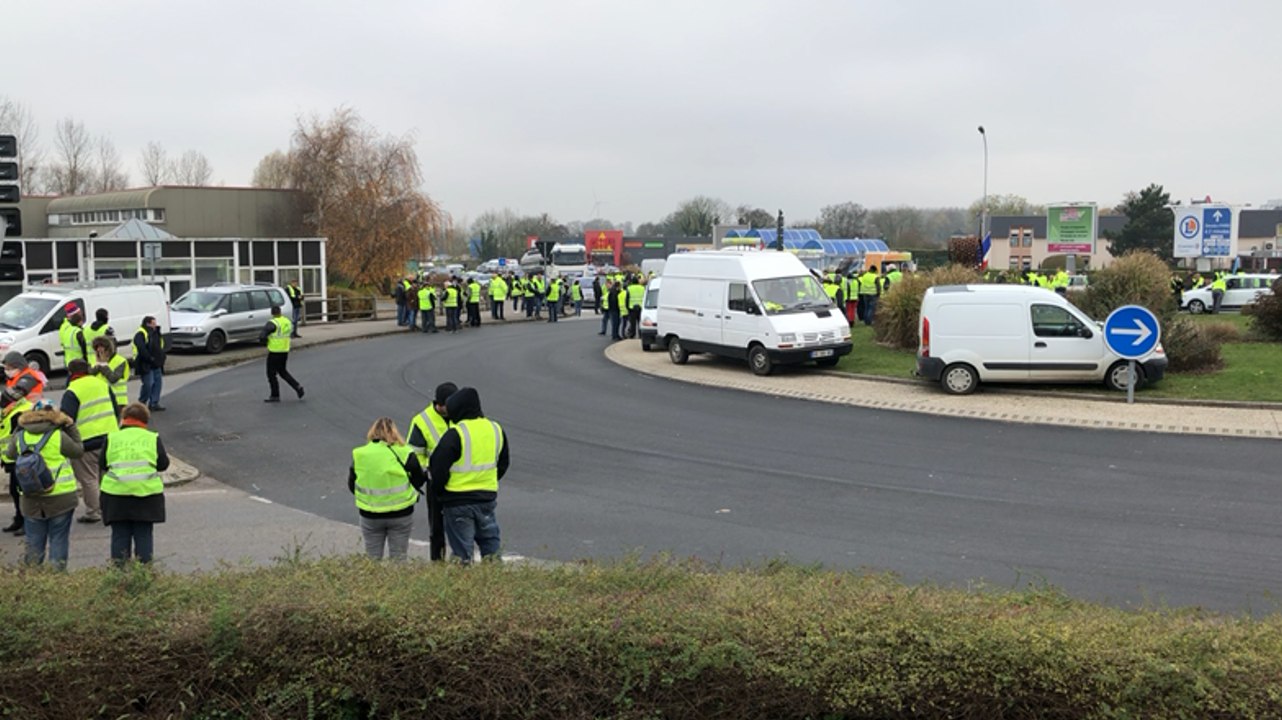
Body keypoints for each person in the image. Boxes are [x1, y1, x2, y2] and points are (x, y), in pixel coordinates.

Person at [429, 387, 509, 564]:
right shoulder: (495, 429)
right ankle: (496, 587)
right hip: (486, 499)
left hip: (458, 501)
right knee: (492, 550)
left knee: (462, 555)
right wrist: (487, 481)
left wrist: (440, 493)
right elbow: (503, 463)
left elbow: (438, 468)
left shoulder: (456, 433)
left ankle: (463, 588)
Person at [6, 399, 83, 569]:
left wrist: (19, 430)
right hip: (61, 496)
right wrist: (71, 427)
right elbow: (78, 451)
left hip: (30, 496)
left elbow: (10, 455)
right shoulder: (58, 435)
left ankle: (33, 581)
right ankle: (56, 580)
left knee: (33, 541)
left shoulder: (20, 436)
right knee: (59, 538)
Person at [99, 402, 170, 565]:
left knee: (119, 535)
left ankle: (119, 576)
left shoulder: (112, 437)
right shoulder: (152, 437)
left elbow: (102, 463)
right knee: (143, 535)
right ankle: (143, 575)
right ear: (145, 420)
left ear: (124, 419)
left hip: (115, 494)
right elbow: (163, 464)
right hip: (146, 494)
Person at [349, 417, 425, 561]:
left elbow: (352, 485)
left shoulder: (360, 454)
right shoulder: (405, 452)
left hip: (370, 514)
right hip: (401, 514)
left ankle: (373, 583)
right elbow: (419, 479)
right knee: (399, 559)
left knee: (372, 561)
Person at [62, 357, 121, 524]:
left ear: (71, 373)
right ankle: (110, 509)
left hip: (86, 442)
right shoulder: (102, 384)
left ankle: (94, 512)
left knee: (89, 479)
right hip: (110, 438)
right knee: (107, 477)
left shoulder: (72, 390)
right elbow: (116, 410)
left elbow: (67, 419)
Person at [407, 381, 456, 561]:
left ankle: (462, 563)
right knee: (437, 527)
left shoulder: (460, 415)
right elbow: (414, 454)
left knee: (461, 525)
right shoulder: (422, 421)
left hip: (461, 480)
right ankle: (437, 562)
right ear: (438, 404)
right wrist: (427, 472)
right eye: (447, 406)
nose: (450, 410)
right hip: (435, 481)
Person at [0, 384, 34, 536]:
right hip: (11, 458)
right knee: (15, 491)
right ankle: (19, 519)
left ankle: (27, 522)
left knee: (22, 492)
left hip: (22, 459)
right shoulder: (10, 411)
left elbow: (16, 438)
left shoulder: (20, 413)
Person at [260, 306, 304, 402]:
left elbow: (262, 336)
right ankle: (297, 386)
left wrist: (265, 342)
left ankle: (275, 395)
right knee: (283, 372)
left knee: (271, 374)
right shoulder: (287, 321)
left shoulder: (272, 323)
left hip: (274, 351)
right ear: (280, 312)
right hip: (284, 350)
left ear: (272, 313)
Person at [132, 316, 166, 412]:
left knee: (157, 383)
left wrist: (161, 357)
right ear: (148, 324)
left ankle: (154, 403)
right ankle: (142, 403)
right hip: (145, 363)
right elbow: (141, 348)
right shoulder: (141, 333)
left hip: (156, 363)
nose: (155, 325)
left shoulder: (155, 333)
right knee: (148, 384)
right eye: (153, 323)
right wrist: (150, 358)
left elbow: (160, 345)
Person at [91, 336, 130, 411]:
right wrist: (98, 364)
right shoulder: (95, 360)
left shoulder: (120, 361)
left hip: (117, 401)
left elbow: (113, 378)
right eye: (97, 348)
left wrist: (103, 365)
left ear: (108, 349)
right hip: (101, 400)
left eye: (101, 347)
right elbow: (90, 375)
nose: (99, 350)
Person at [59, 304, 88, 370]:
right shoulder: (74, 329)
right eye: (79, 313)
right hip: (78, 361)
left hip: (68, 360)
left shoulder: (63, 326)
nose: (81, 314)